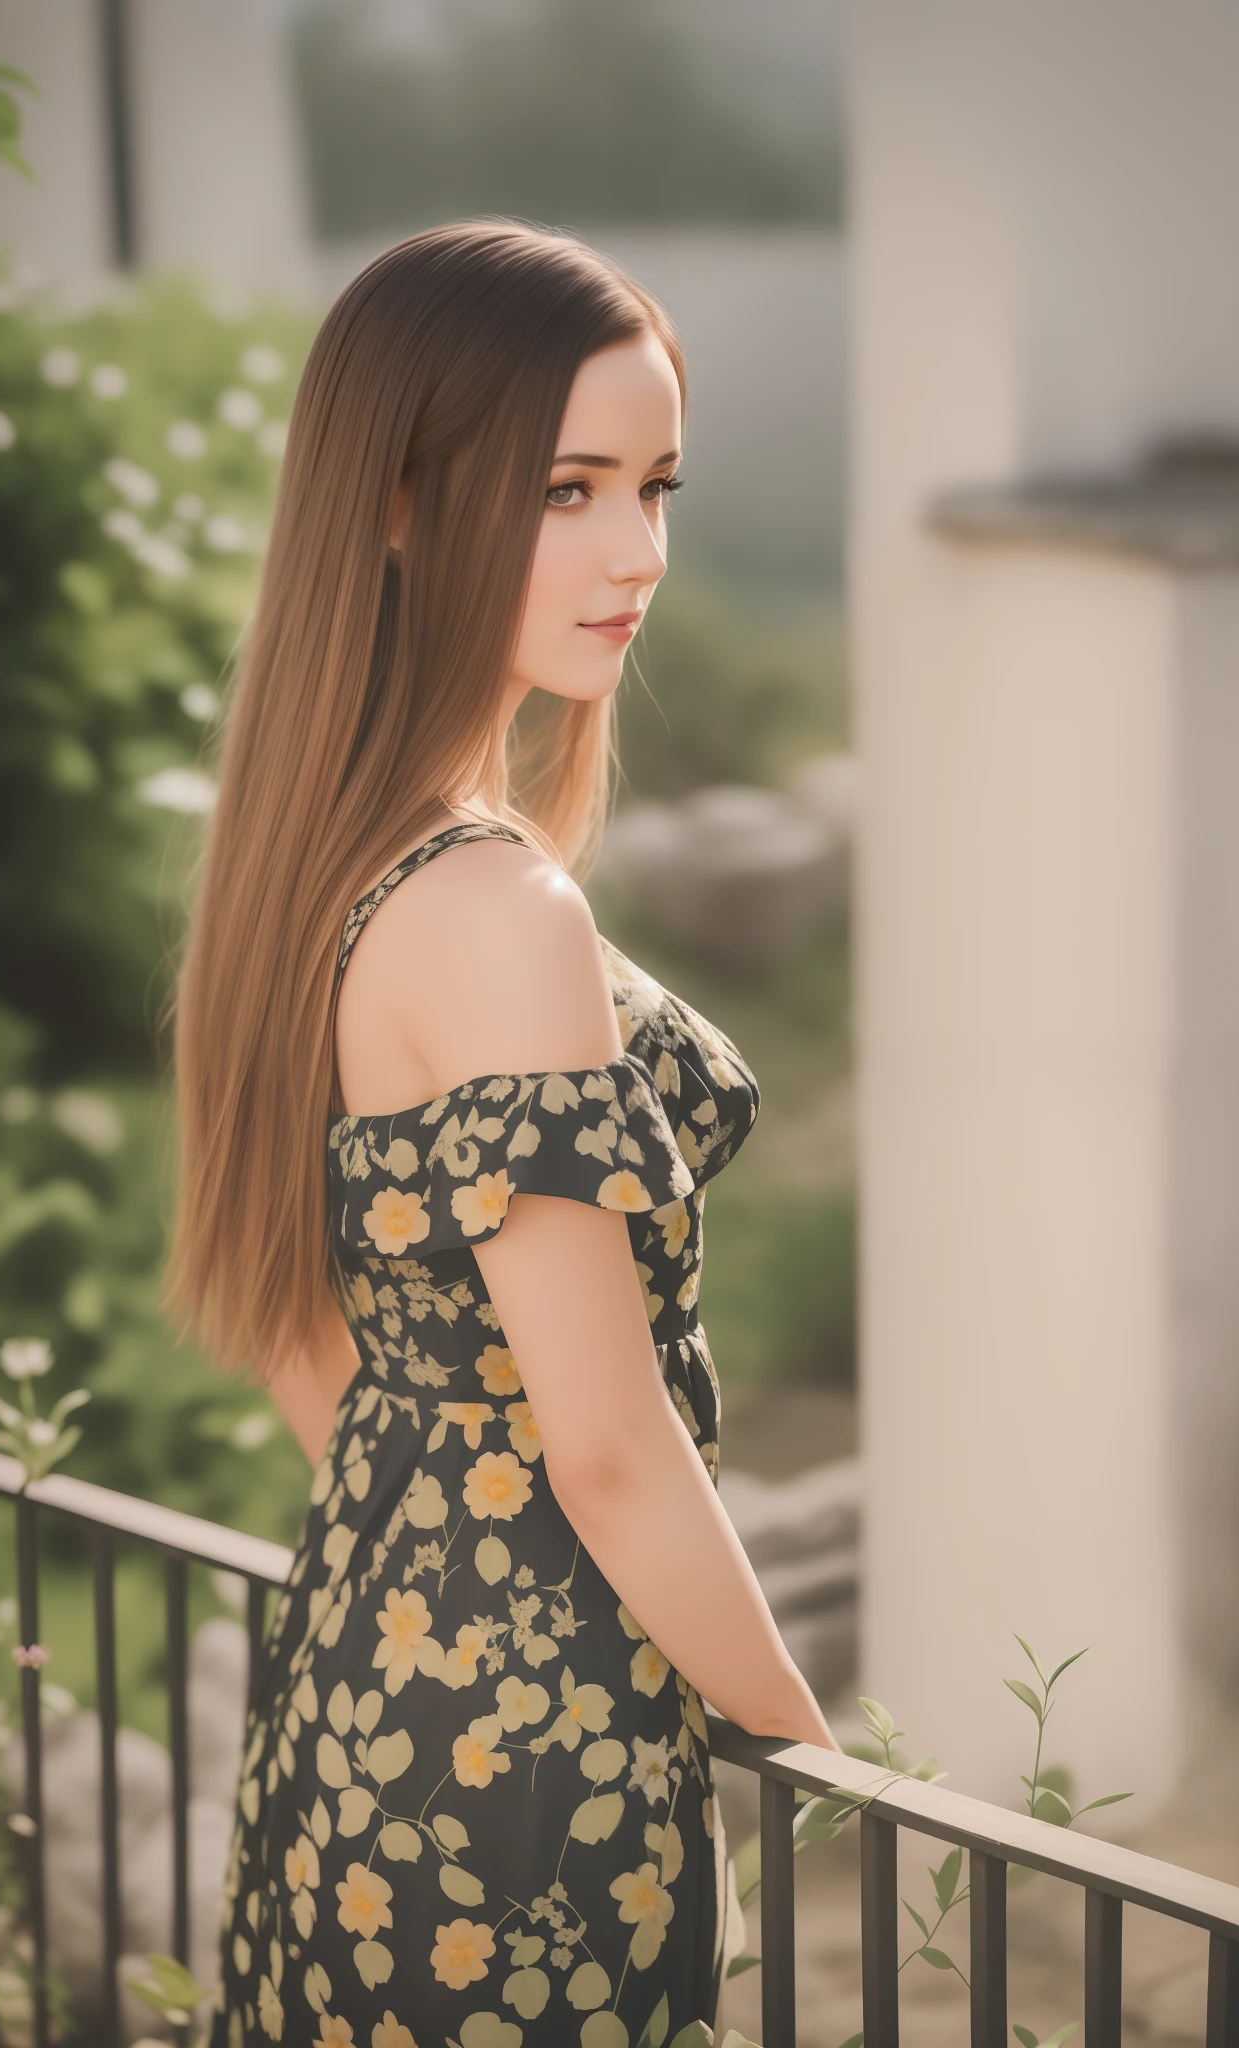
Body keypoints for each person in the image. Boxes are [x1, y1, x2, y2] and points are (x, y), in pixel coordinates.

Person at [169, 220, 839, 2048]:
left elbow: (307, 1328)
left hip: (364, 1702)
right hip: (530, 1778)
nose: (639, 554)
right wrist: (818, 1755)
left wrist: (435, 1587)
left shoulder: (320, 861)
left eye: (655, 486)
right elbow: (611, 1449)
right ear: (398, 504)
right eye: (566, 489)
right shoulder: (492, 911)